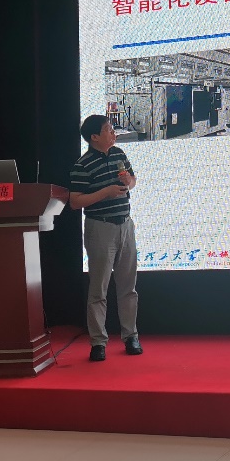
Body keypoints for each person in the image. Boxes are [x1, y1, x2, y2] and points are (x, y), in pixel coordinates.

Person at [70, 114, 141, 362]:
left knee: (128, 287)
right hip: (100, 227)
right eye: (109, 130)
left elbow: (133, 181)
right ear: (94, 137)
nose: (114, 133)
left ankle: (131, 336)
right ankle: (98, 342)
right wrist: (106, 192)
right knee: (98, 289)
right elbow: (75, 201)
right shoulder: (83, 164)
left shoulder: (119, 153)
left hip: (125, 225)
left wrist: (129, 182)